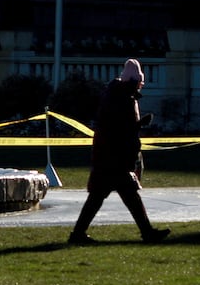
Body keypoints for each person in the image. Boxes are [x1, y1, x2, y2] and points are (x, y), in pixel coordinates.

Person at [68, 58, 171, 245]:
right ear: (133, 81)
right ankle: (146, 232)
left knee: (110, 196)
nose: (141, 86)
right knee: (117, 196)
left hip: (110, 156)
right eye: (139, 82)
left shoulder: (117, 95)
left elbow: (118, 127)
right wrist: (140, 124)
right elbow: (120, 128)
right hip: (113, 157)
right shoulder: (121, 99)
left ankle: (79, 234)